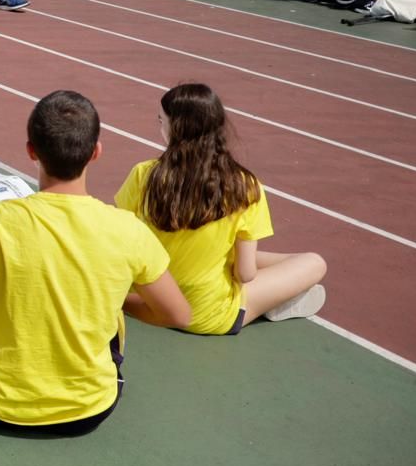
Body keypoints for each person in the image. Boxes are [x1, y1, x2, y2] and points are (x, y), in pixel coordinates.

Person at [0, 91, 190, 438]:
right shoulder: (128, 230)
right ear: (96, 152)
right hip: (89, 410)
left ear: (31, 151)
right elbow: (178, 315)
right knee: (112, 313)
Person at [116, 83, 328, 332]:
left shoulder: (144, 175)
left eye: (161, 120)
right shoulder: (245, 187)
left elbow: (123, 240)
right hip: (209, 316)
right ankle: (279, 300)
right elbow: (245, 275)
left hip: (149, 303)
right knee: (314, 262)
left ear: (176, 128)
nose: (159, 126)